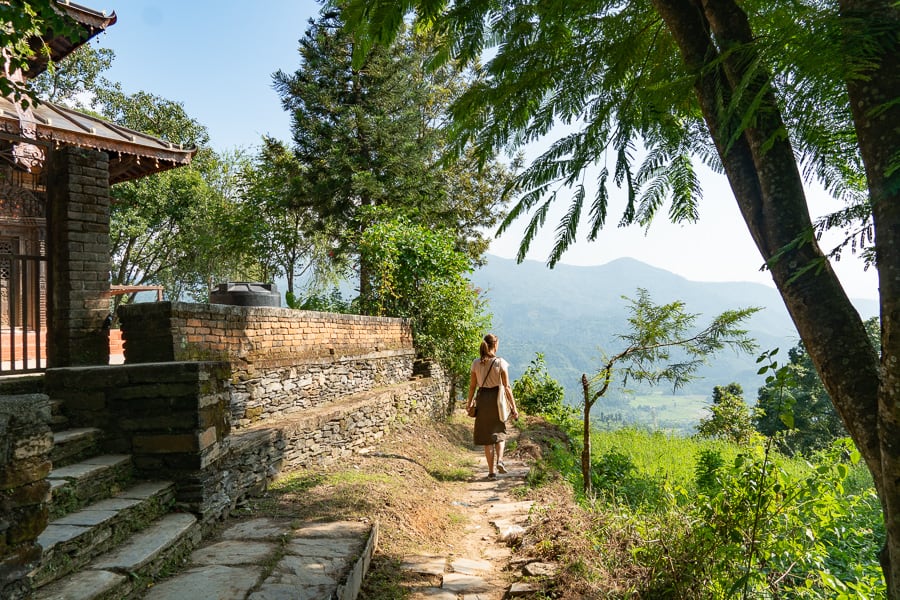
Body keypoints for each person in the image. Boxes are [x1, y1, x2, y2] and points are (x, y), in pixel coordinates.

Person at [466, 333, 519, 479]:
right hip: (497, 400)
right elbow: (507, 387)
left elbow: (472, 386)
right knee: (499, 434)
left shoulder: (476, 363)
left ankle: (491, 472)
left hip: (482, 399)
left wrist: (469, 403)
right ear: (495, 345)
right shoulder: (500, 363)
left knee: (487, 438)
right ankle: (500, 461)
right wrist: (514, 408)